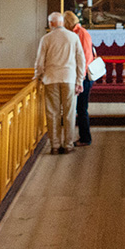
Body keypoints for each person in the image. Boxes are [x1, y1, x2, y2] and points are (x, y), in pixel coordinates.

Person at [33, 11, 85, 154]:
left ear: (51, 24)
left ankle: (55, 145)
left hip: (51, 79)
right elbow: (81, 60)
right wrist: (79, 80)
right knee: (69, 113)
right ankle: (68, 144)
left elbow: (39, 61)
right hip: (69, 78)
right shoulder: (73, 37)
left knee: (52, 113)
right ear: (62, 22)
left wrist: (37, 76)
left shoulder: (46, 38)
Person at [63, 10, 95, 147]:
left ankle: (85, 138)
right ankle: (83, 137)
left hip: (84, 77)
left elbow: (86, 57)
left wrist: (80, 79)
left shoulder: (81, 33)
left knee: (82, 109)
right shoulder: (75, 33)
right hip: (79, 75)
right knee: (79, 108)